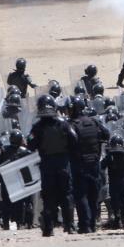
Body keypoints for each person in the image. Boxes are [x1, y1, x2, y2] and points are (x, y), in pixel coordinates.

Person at [27, 95, 77, 237]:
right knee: (67, 195)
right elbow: (74, 139)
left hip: (47, 165)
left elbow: (31, 145)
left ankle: (48, 228)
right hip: (63, 164)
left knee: (49, 197)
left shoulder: (37, 127)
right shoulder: (63, 123)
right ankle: (70, 226)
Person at [70, 97, 110, 233]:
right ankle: (92, 224)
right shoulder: (94, 122)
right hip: (94, 164)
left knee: (81, 195)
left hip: (79, 165)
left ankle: (85, 225)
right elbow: (107, 134)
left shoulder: (72, 125)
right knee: (93, 195)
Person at [101, 135, 124, 229]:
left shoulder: (110, 154)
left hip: (113, 180)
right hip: (123, 180)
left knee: (114, 200)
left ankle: (117, 218)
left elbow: (102, 166)